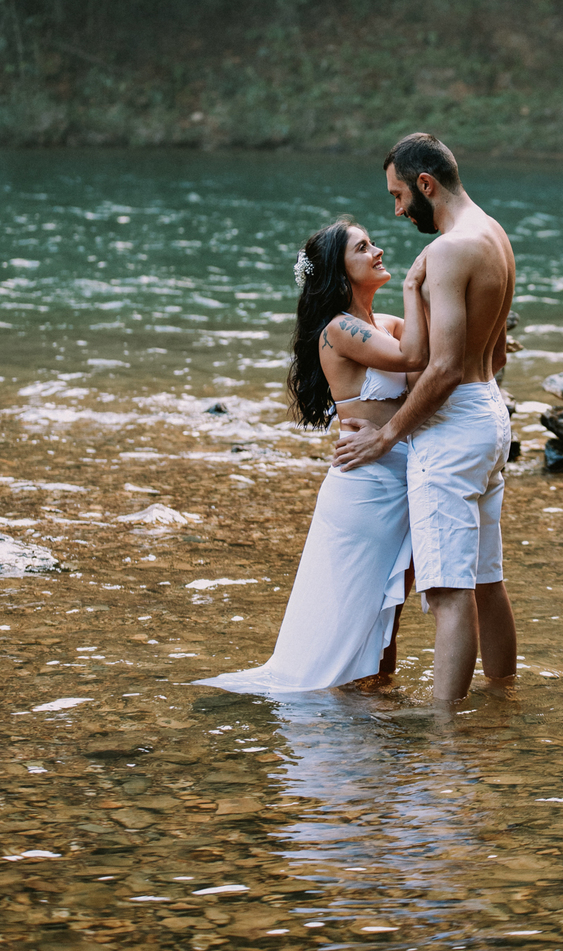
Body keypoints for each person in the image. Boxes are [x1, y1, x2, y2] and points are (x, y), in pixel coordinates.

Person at [195, 218, 427, 693]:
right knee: (357, 611)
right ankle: (341, 702)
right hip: (365, 490)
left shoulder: (384, 325)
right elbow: (413, 358)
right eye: (363, 248)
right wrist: (413, 285)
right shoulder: (338, 330)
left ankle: (377, 700)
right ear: (340, 274)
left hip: (399, 481)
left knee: (389, 609)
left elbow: (431, 349)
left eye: (372, 243)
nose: (378, 251)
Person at [334, 133, 518, 703]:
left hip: (454, 427)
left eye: (398, 196)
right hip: (489, 412)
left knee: (446, 592)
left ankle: (445, 736)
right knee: (486, 580)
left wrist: (387, 436)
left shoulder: (447, 251)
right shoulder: (494, 234)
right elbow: (496, 355)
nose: (396, 209)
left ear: (425, 185)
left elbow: (442, 369)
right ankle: (500, 702)